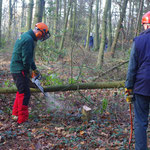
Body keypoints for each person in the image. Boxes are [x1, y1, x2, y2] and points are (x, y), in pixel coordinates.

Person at [10, 22, 50, 124]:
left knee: (21, 91)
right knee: (25, 93)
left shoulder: (27, 37)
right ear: (39, 33)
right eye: (43, 35)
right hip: (20, 69)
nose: (42, 38)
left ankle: (15, 114)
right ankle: (22, 119)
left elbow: (30, 57)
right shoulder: (28, 40)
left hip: (17, 68)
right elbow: (26, 60)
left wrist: (35, 69)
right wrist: (28, 72)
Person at [125, 11, 150, 149]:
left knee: (141, 122)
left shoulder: (138, 41)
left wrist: (128, 86)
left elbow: (132, 67)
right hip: (142, 86)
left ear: (146, 25)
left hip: (142, 86)